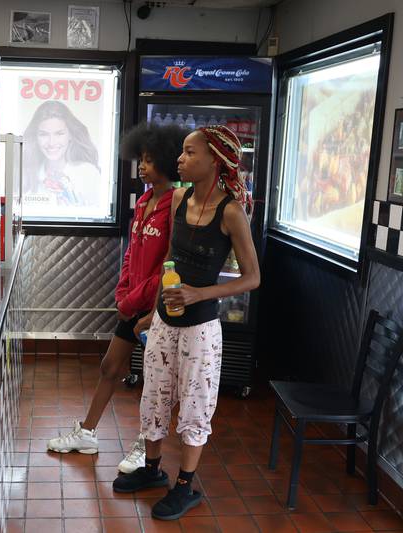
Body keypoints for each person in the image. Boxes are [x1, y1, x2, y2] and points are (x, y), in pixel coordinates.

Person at [112, 125, 260, 521]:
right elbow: (167, 265)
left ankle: (185, 486)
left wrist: (198, 293)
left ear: (215, 159)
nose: (179, 159)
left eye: (189, 152)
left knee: (195, 406)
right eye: (181, 152)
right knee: (154, 395)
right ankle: (152, 470)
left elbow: (252, 278)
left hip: (201, 329)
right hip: (163, 322)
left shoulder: (231, 211)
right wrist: (149, 314)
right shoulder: (178, 198)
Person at [47, 122, 188, 473]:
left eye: (150, 160)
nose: (142, 166)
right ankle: (87, 433)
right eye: (140, 159)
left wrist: (144, 302)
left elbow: (170, 264)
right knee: (110, 367)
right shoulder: (143, 202)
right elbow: (132, 253)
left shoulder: (175, 204)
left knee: (158, 382)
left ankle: (145, 446)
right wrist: (123, 290)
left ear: (168, 162)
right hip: (133, 304)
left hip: (158, 308)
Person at [22, 100, 100, 206]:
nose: (51, 143)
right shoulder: (25, 176)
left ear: (71, 135)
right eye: (43, 134)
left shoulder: (88, 174)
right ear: (35, 137)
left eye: (59, 133)